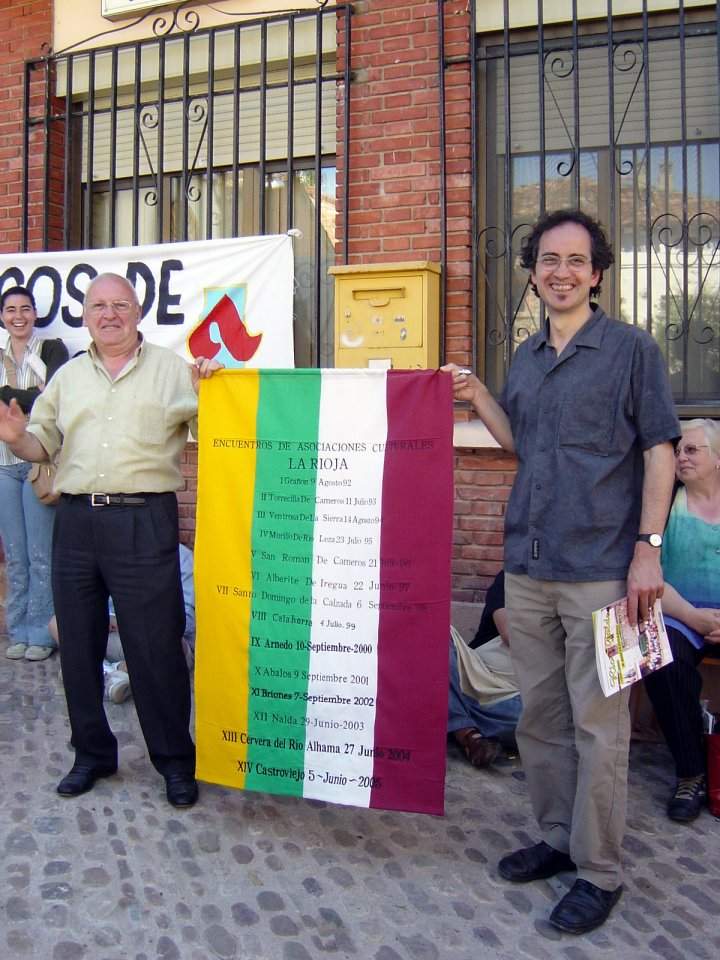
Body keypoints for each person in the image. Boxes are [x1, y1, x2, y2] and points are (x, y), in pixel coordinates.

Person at [444, 209, 679, 934]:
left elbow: (660, 451)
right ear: (535, 271)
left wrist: (648, 549)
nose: (562, 272)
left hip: (609, 570)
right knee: (542, 719)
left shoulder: (633, 350)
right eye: (549, 260)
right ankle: (557, 838)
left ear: (597, 272)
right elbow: (521, 441)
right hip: (529, 565)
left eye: (576, 260)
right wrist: (479, 396)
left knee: (601, 726)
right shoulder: (526, 356)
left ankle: (600, 871)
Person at [0, 272, 220, 808]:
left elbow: (218, 430)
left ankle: (175, 761)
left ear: (138, 311)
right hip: (76, 521)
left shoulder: (173, 370)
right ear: (85, 316)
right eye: (98, 306)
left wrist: (213, 390)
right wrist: (17, 439)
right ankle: (92, 754)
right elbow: (41, 444)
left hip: (144, 520)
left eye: (120, 304)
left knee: (156, 647)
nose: (109, 314)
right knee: (78, 647)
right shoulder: (69, 377)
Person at [643, 419, 720, 822]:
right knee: (662, 659)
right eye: (677, 451)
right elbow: (649, 572)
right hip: (679, 614)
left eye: (692, 450)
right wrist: (693, 616)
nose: (681, 458)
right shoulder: (665, 504)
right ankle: (692, 773)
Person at [0, 286, 68, 661]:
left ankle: (42, 633)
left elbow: (52, 398)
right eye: (11, 310)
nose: (18, 316)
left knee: (41, 554)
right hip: (3, 465)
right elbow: (35, 398)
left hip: (39, 464)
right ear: (2, 316)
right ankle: (18, 630)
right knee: (15, 555)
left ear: (35, 314)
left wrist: (6, 393)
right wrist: (29, 395)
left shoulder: (51, 350)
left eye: (25, 309)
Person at [48, 542, 197, 704]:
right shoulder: (115, 552)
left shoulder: (182, 558)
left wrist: (133, 622)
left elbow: (187, 623)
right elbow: (94, 601)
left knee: (168, 644)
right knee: (57, 623)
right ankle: (111, 673)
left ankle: (96, 671)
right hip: (116, 637)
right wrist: (104, 618)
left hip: (157, 643)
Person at [449, 570, 522, 767]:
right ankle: (465, 732)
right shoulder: (511, 576)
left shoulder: (578, 592)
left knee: (545, 723)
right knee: (436, 631)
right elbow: (510, 635)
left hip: (513, 698)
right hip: (474, 676)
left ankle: (456, 718)